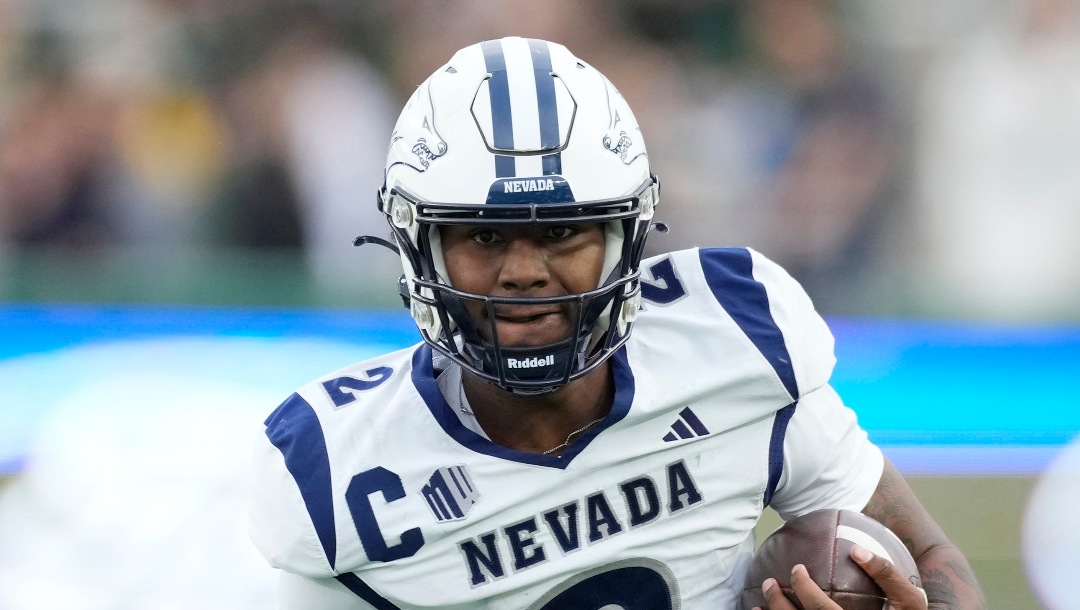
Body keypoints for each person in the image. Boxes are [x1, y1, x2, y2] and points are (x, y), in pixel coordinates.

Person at [248, 37, 987, 609]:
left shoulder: (735, 345)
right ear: (418, 245)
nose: (525, 270)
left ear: (625, 238)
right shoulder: (341, 477)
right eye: (482, 236)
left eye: (563, 232)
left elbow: (930, 560)